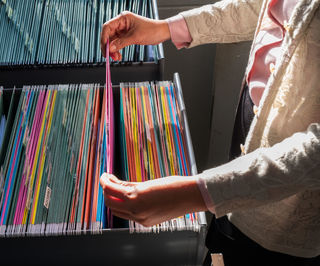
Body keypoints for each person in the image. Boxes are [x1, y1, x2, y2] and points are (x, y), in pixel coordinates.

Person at [99, 0, 320, 265]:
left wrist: (193, 194)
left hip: (287, 212)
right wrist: (165, 28)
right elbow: (269, 7)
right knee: (228, 239)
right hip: (246, 137)